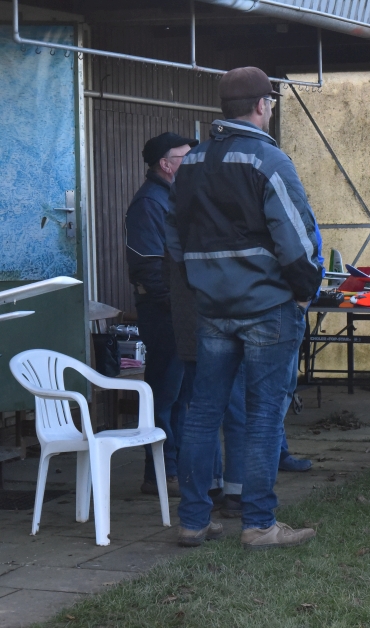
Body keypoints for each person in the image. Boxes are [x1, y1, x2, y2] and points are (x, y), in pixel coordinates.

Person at [167, 66, 324, 549]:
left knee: (202, 413)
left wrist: (202, 284)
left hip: (212, 308)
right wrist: (305, 290)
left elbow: (174, 238)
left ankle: (193, 521)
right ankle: (258, 525)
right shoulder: (267, 160)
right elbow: (295, 237)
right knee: (263, 415)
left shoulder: (190, 163)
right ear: (261, 106)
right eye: (271, 103)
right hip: (268, 306)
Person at [125, 131, 197, 498]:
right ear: (166, 165)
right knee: (165, 394)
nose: (191, 163)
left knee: (181, 394)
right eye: (185, 158)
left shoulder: (172, 197)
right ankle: (159, 473)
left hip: (178, 309)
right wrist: (176, 303)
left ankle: (175, 469)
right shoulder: (149, 204)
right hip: (163, 311)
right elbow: (149, 267)